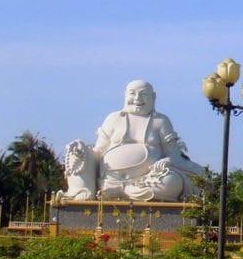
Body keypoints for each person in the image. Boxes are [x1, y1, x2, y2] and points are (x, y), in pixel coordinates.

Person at [60, 80, 205, 201]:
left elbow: (174, 155)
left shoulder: (160, 121)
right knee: (75, 152)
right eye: (132, 93)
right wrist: (81, 151)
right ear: (125, 95)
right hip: (109, 179)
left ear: (153, 97)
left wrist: (167, 161)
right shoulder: (113, 119)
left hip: (149, 180)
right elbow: (98, 151)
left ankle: (120, 191)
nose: (137, 99)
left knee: (172, 182)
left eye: (143, 94)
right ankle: (84, 192)